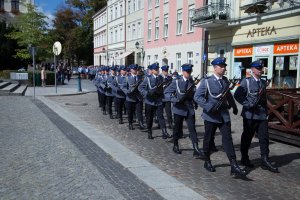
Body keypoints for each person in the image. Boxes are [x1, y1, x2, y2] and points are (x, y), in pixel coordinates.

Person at [194, 57, 247, 177]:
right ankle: (207, 160)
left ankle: (234, 165)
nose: (224, 68)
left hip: (223, 115)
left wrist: (234, 107)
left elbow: (228, 95)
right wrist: (208, 106)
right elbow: (197, 97)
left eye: (224, 66)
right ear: (215, 67)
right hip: (210, 115)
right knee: (208, 138)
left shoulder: (225, 81)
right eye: (221, 66)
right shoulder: (207, 81)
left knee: (228, 139)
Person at [234, 60, 279, 173]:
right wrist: (248, 104)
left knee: (264, 138)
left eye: (261, 68)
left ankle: (265, 160)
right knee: (247, 138)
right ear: (253, 70)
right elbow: (237, 95)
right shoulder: (246, 82)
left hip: (261, 115)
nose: (260, 70)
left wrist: (267, 112)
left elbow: (263, 100)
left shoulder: (263, 83)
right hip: (250, 115)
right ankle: (244, 158)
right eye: (258, 68)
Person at [164, 64, 205, 159]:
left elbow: (194, 93)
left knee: (192, 129)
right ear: (183, 72)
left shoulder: (192, 81)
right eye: (187, 72)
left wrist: (195, 102)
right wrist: (174, 99)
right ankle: (175, 144)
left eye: (190, 72)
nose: (188, 73)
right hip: (179, 108)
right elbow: (167, 92)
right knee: (177, 128)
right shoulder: (177, 81)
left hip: (189, 109)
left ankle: (196, 149)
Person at [138, 63, 170, 140]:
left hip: (158, 100)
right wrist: (146, 93)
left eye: (158, 69)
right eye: (156, 70)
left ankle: (164, 132)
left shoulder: (160, 78)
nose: (157, 71)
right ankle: (149, 131)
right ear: (152, 71)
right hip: (150, 101)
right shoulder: (147, 78)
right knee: (150, 118)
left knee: (161, 117)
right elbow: (140, 87)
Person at [121, 64, 146, 130]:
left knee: (139, 111)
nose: (135, 70)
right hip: (130, 98)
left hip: (138, 98)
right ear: (131, 70)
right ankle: (130, 123)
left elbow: (144, 86)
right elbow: (123, 87)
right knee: (130, 112)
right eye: (134, 69)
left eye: (136, 69)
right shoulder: (127, 78)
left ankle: (141, 123)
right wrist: (127, 92)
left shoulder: (140, 78)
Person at [160, 65, 173, 130]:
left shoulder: (169, 78)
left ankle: (170, 123)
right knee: (160, 112)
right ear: (162, 71)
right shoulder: (159, 77)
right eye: (165, 71)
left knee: (168, 111)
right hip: (160, 97)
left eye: (167, 71)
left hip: (167, 97)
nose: (166, 72)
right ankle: (160, 123)